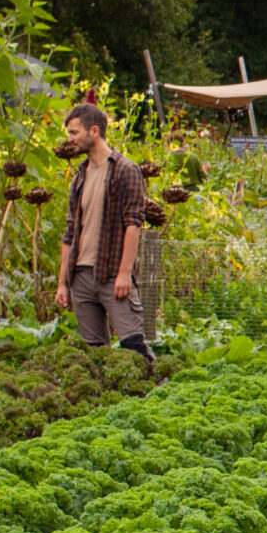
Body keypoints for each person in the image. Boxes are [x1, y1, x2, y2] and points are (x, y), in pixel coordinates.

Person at [53, 103, 153, 367]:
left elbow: (133, 224)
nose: (70, 139)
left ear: (94, 131)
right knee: (96, 355)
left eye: (74, 133)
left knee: (134, 347)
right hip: (81, 277)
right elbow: (69, 232)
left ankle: (159, 396)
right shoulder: (80, 176)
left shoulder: (125, 170)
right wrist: (62, 283)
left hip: (112, 274)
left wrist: (124, 273)